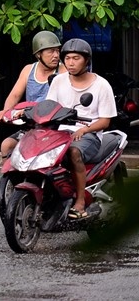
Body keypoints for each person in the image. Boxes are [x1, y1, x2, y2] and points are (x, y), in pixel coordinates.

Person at [46, 38, 118, 219]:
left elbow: (105, 121)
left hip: (90, 135)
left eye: (76, 58)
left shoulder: (101, 85)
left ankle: (79, 202)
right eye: (68, 58)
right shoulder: (58, 81)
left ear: (86, 60)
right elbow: (49, 107)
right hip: (60, 132)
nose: (70, 62)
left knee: (73, 153)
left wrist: (84, 130)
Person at [0, 30, 66, 158]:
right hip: (31, 126)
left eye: (57, 50)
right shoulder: (29, 70)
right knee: (7, 145)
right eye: (51, 51)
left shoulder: (63, 71)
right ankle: (13, 178)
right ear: (39, 54)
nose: (56, 55)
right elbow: (15, 95)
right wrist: (5, 112)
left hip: (54, 127)